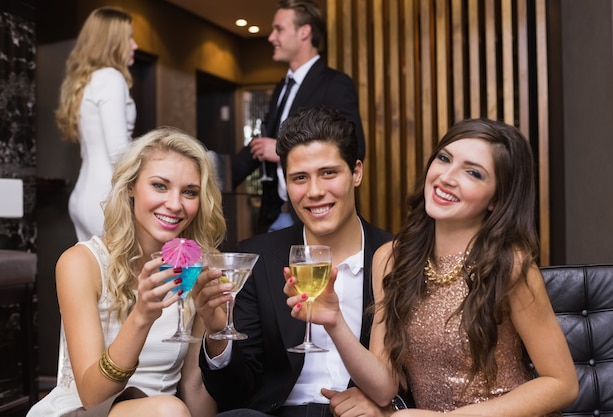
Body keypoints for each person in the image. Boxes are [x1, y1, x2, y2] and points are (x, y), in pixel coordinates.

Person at [286, 118, 580, 416]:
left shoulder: (510, 264)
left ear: (496, 198)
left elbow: (562, 384)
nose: (447, 177)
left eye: (473, 173)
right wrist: (334, 322)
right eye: (444, 159)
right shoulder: (391, 259)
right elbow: (384, 386)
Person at [195, 107, 405, 417]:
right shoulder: (261, 258)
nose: (315, 192)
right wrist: (216, 333)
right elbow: (236, 392)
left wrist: (390, 406)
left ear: (356, 172)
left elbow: (423, 369)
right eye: (300, 178)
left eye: (329, 173)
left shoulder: (396, 257)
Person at [27, 127, 227, 417]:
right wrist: (142, 316)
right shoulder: (81, 263)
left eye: (189, 192)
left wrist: (217, 329)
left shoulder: (199, 265)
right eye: (160, 185)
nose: (174, 204)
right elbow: (91, 394)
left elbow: (194, 386)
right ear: (131, 186)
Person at [231, 0, 365, 233]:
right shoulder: (281, 87)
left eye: (279, 29)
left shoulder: (335, 83)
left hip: (318, 215)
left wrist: (281, 149)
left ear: (304, 32)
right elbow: (260, 146)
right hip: (277, 216)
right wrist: (205, 179)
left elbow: (355, 148)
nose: (272, 37)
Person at [56, 6, 138, 242]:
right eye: (129, 37)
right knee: (116, 277)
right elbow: (118, 152)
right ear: (112, 41)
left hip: (84, 194)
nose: (135, 45)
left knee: (93, 276)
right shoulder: (112, 78)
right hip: (106, 197)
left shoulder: (87, 80)